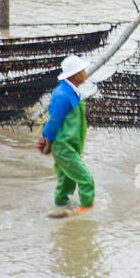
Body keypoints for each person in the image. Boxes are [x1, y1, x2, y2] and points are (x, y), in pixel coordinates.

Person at [36, 54, 94, 217]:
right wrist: (46, 139)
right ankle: (86, 212)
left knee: (67, 180)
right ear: (76, 74)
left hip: (71, 144)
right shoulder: (62, 95)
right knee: (86, 179)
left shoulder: (71, 91)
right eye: (82, 70)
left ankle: (60, 208)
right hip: (64, 146)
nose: (85, 72)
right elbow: (54, 120)